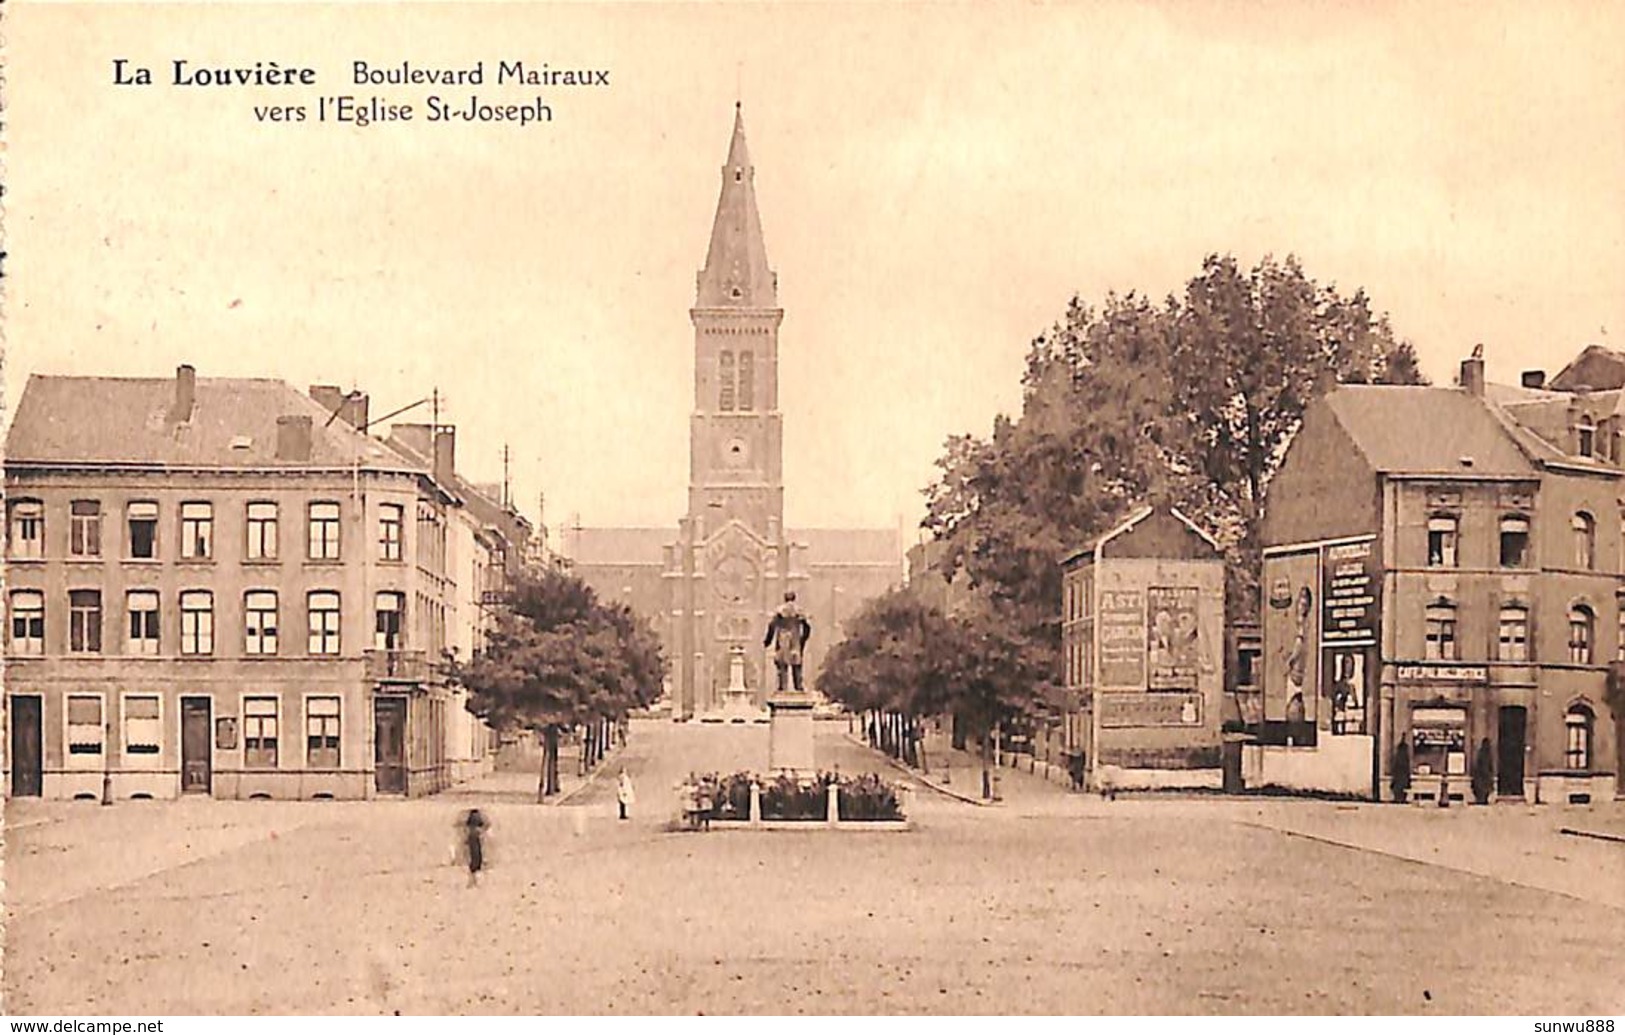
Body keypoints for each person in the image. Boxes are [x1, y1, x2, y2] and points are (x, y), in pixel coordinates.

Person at [762, 591, 813, 694]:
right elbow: (807, 626)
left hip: (782, 639)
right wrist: (804, 638)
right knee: (796, 664)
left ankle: (782, 687)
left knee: (782, 664)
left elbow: (772, 626)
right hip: (795, 639)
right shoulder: (799, 611)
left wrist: (768, 640)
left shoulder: (779, 611)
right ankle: (798, 686)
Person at [462, 808, 489, 887]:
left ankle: (473, 881)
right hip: (475, 842)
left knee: (474, 861)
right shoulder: (476, 832)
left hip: (474, 841)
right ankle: (473, 881)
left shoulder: (471, 832)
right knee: (475, 860)